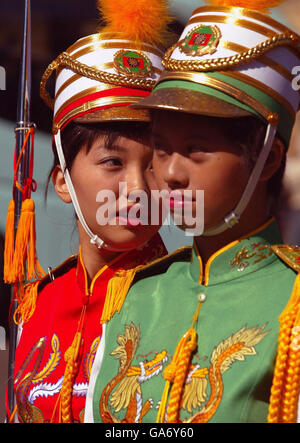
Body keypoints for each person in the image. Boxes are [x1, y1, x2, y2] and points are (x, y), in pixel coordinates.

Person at [88, 0, 300, 423]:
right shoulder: (133, 297)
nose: (169, 173)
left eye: (195, 149)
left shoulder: (292, 303)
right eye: (162, 148)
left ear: (268, 159)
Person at [9, 0, 173, 423]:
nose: (138, 189)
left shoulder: (186, 299)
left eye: (153, 164)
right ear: (63, 180)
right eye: (113, 163)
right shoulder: (32, 308)